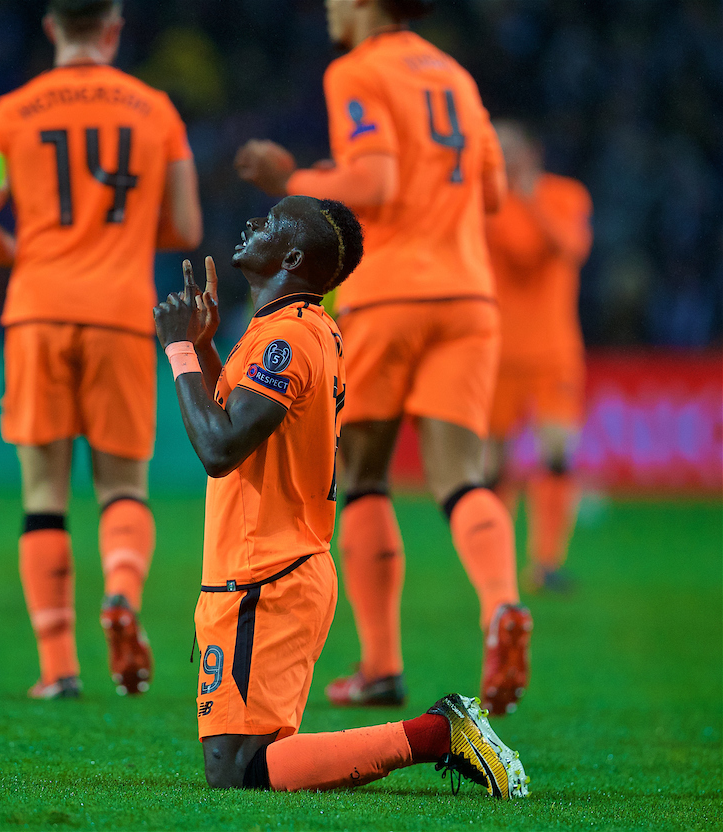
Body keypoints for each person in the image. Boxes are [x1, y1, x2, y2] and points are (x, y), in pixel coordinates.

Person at [153, 194, 527, 797]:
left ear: (294, 256)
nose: (254, 224)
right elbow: (239, 426)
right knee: (246, 762)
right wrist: (201, 347)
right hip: (271, 567)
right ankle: (435, 731)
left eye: (272, 223)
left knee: (237, 769)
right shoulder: (297, 329)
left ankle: (437, 732)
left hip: (266, 572)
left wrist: (174, 350)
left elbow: (219, 450)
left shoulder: (288, 341)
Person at [233, 0, 532, 715]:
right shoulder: (455, 76)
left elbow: (376, 185)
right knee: (459, 476)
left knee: (361, 474)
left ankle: (381, 665)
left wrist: (295, 177)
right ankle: (502, 604)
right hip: (468, 295)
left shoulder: (360, 70)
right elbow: (490, 191)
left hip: (391, 294)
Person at [0, 0, 202, 699]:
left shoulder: (11, 113)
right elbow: (184, 224)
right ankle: (121, 594)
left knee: (43, 497)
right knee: (124, 488)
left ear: (52, 26)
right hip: (121, 315)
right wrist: (113, 242)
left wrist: (24, 252)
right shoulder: (157, 113)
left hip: (38, 311)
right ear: (115, 29)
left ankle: (58, 667)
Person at [484, 121, 593, 592]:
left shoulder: (566, 195)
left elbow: (571, 247)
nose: (504, 158)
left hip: (554, 352)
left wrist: (530, 200)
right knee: (493, 467)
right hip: (498, 351)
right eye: (497, 149)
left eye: (510, 148)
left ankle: (547, 562)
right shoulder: (483, 204)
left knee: (557, 454)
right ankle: (495, 562)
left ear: (533, 151)